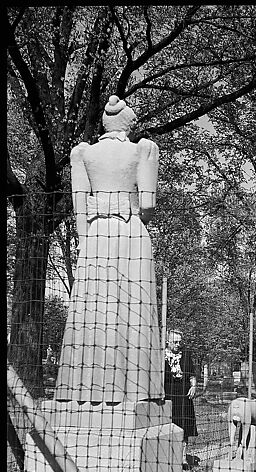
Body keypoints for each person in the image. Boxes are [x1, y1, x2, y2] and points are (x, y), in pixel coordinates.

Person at [55, 95, 163, 405]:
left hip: (96, 234)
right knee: (131, 309)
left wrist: (86, 240)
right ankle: (134, 390)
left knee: (94, 310)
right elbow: (148, 205)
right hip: (129, 232)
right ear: (127, 123)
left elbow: (79, 211)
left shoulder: (83, 154)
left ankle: (84, 391)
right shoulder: (142, 150)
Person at [164, 329, 198, 462]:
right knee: (170, 423)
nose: (178, 345)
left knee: (184, 424)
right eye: (175, 342)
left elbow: (191, 373)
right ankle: (169, 456)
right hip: (167, 392)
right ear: (167, 342)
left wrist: (193, 386)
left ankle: (183, 458)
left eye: (179, 342)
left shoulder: (185, 355)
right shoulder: (161, 356)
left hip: (184, 393)